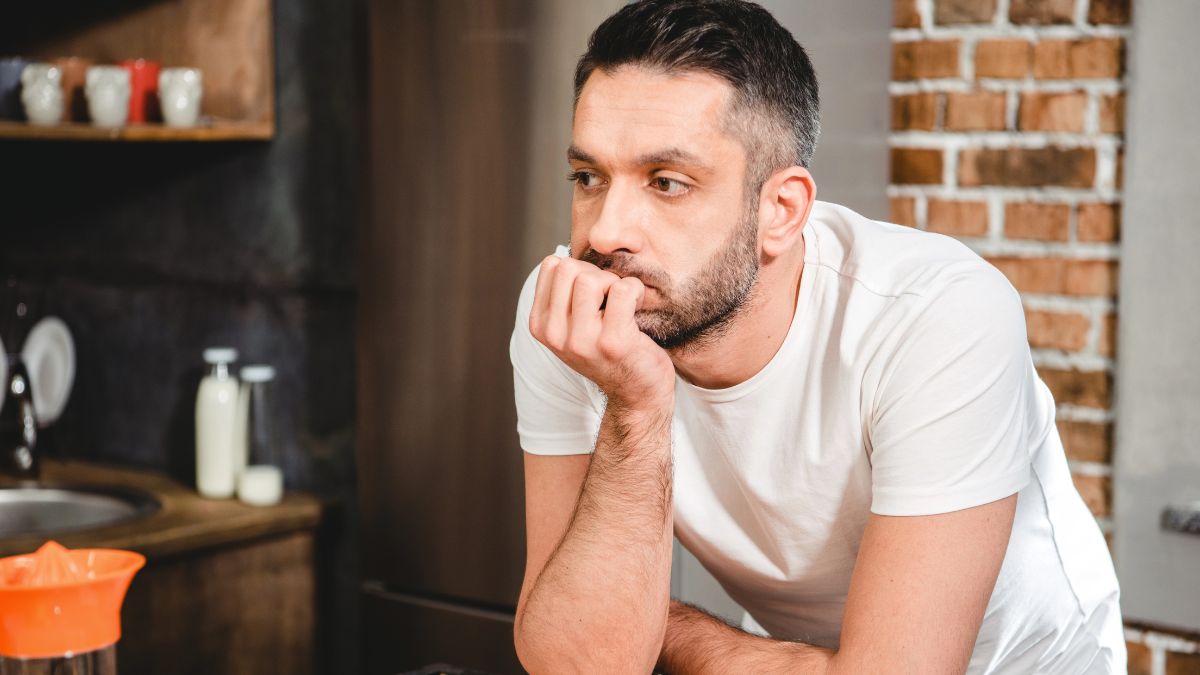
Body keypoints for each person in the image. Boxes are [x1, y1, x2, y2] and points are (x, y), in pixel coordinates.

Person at [508, 1, 1124, 672]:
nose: (604, 233)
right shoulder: (576, 315)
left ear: (781, 211)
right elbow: (573, 660)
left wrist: (652, 625)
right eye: (589, 177)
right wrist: (636, 403)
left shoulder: (938, 315)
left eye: (666, 182)